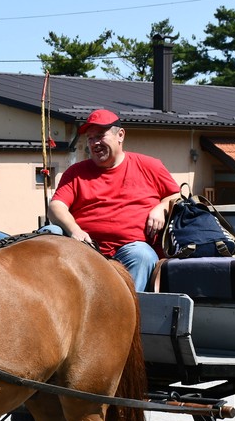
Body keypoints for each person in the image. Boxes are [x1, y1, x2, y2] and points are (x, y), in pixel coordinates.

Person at [45, 108, 180, 291]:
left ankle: (127, 309)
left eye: (100, 136)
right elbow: (56, 206)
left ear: (120, 135)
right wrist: (75, 230)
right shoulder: (75, 173)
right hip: (84, 249)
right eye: (90, 138)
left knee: (143, 255)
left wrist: (162, 207)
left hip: (131, 251)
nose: (95, 143)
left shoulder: (149, 166)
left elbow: (176, 195)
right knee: (48, 233)